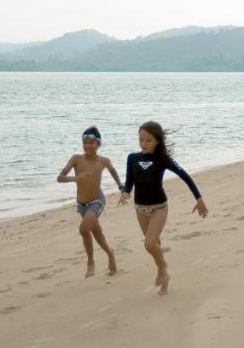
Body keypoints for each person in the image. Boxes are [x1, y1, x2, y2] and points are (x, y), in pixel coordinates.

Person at [119, 121, 208, 295]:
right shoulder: (132, 158)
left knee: (149, 243)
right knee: (155, 244)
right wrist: (125, 192)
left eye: (148, 140)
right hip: (140, 208)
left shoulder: (162, 159)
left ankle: (163, 268)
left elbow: (185, 176)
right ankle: (163, 274)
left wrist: (199, 198)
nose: (143, 143)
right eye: (141, 140)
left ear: (157, 141)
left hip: (159, 207)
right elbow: (129, 183)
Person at [57, 126, 123, 277]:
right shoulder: (76, 159)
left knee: (83, 229)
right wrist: (75, 178)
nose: (87, 146)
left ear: (98, 144)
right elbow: (60, 178)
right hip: (82, 205)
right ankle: (110, 254)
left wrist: (121, 187)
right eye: (85, 142)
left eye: (91, 143)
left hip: (97, 201)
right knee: (96, 233)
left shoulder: (103, 161)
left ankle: (90, 262)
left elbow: (113, 171)